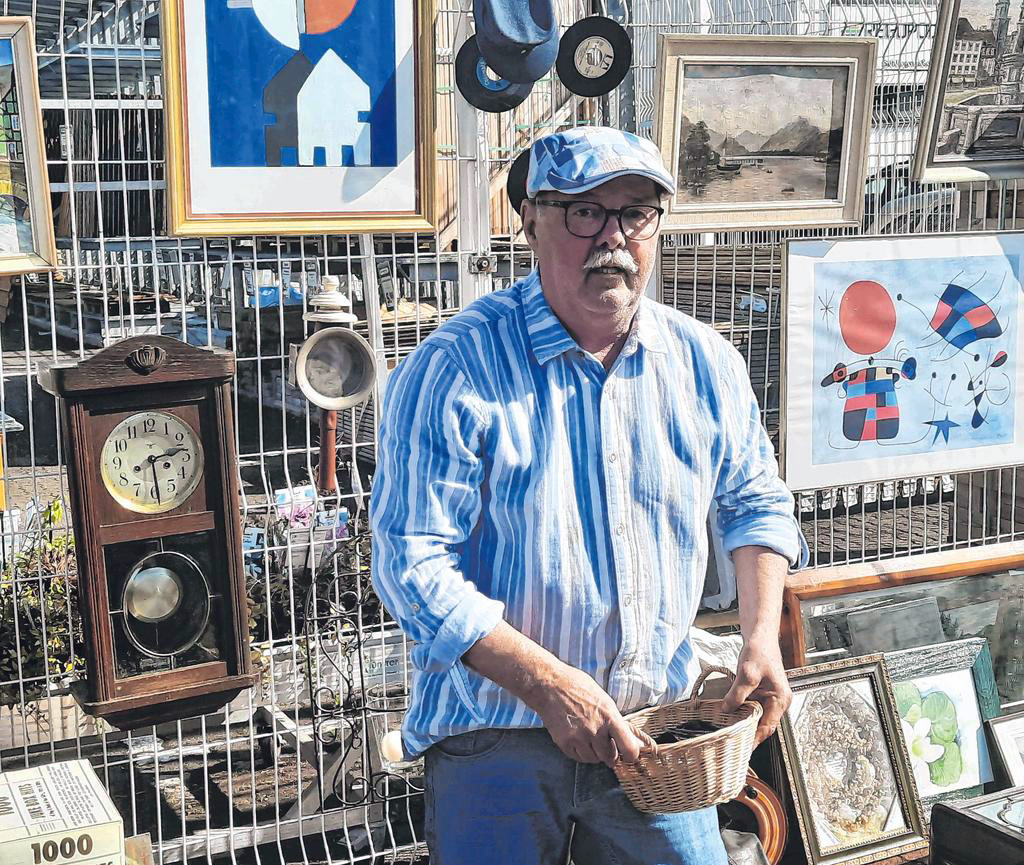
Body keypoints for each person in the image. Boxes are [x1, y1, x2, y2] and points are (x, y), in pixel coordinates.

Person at [370, 126, 807, 865]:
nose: (612, 236)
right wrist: (546, 683)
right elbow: (410, 563)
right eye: (584, 213)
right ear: (533, 220)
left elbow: (754, 502)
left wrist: (762, 635)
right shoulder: (457, 367)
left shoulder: (705, 364)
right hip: (495, 736)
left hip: (657, 734)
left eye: (635, 211)